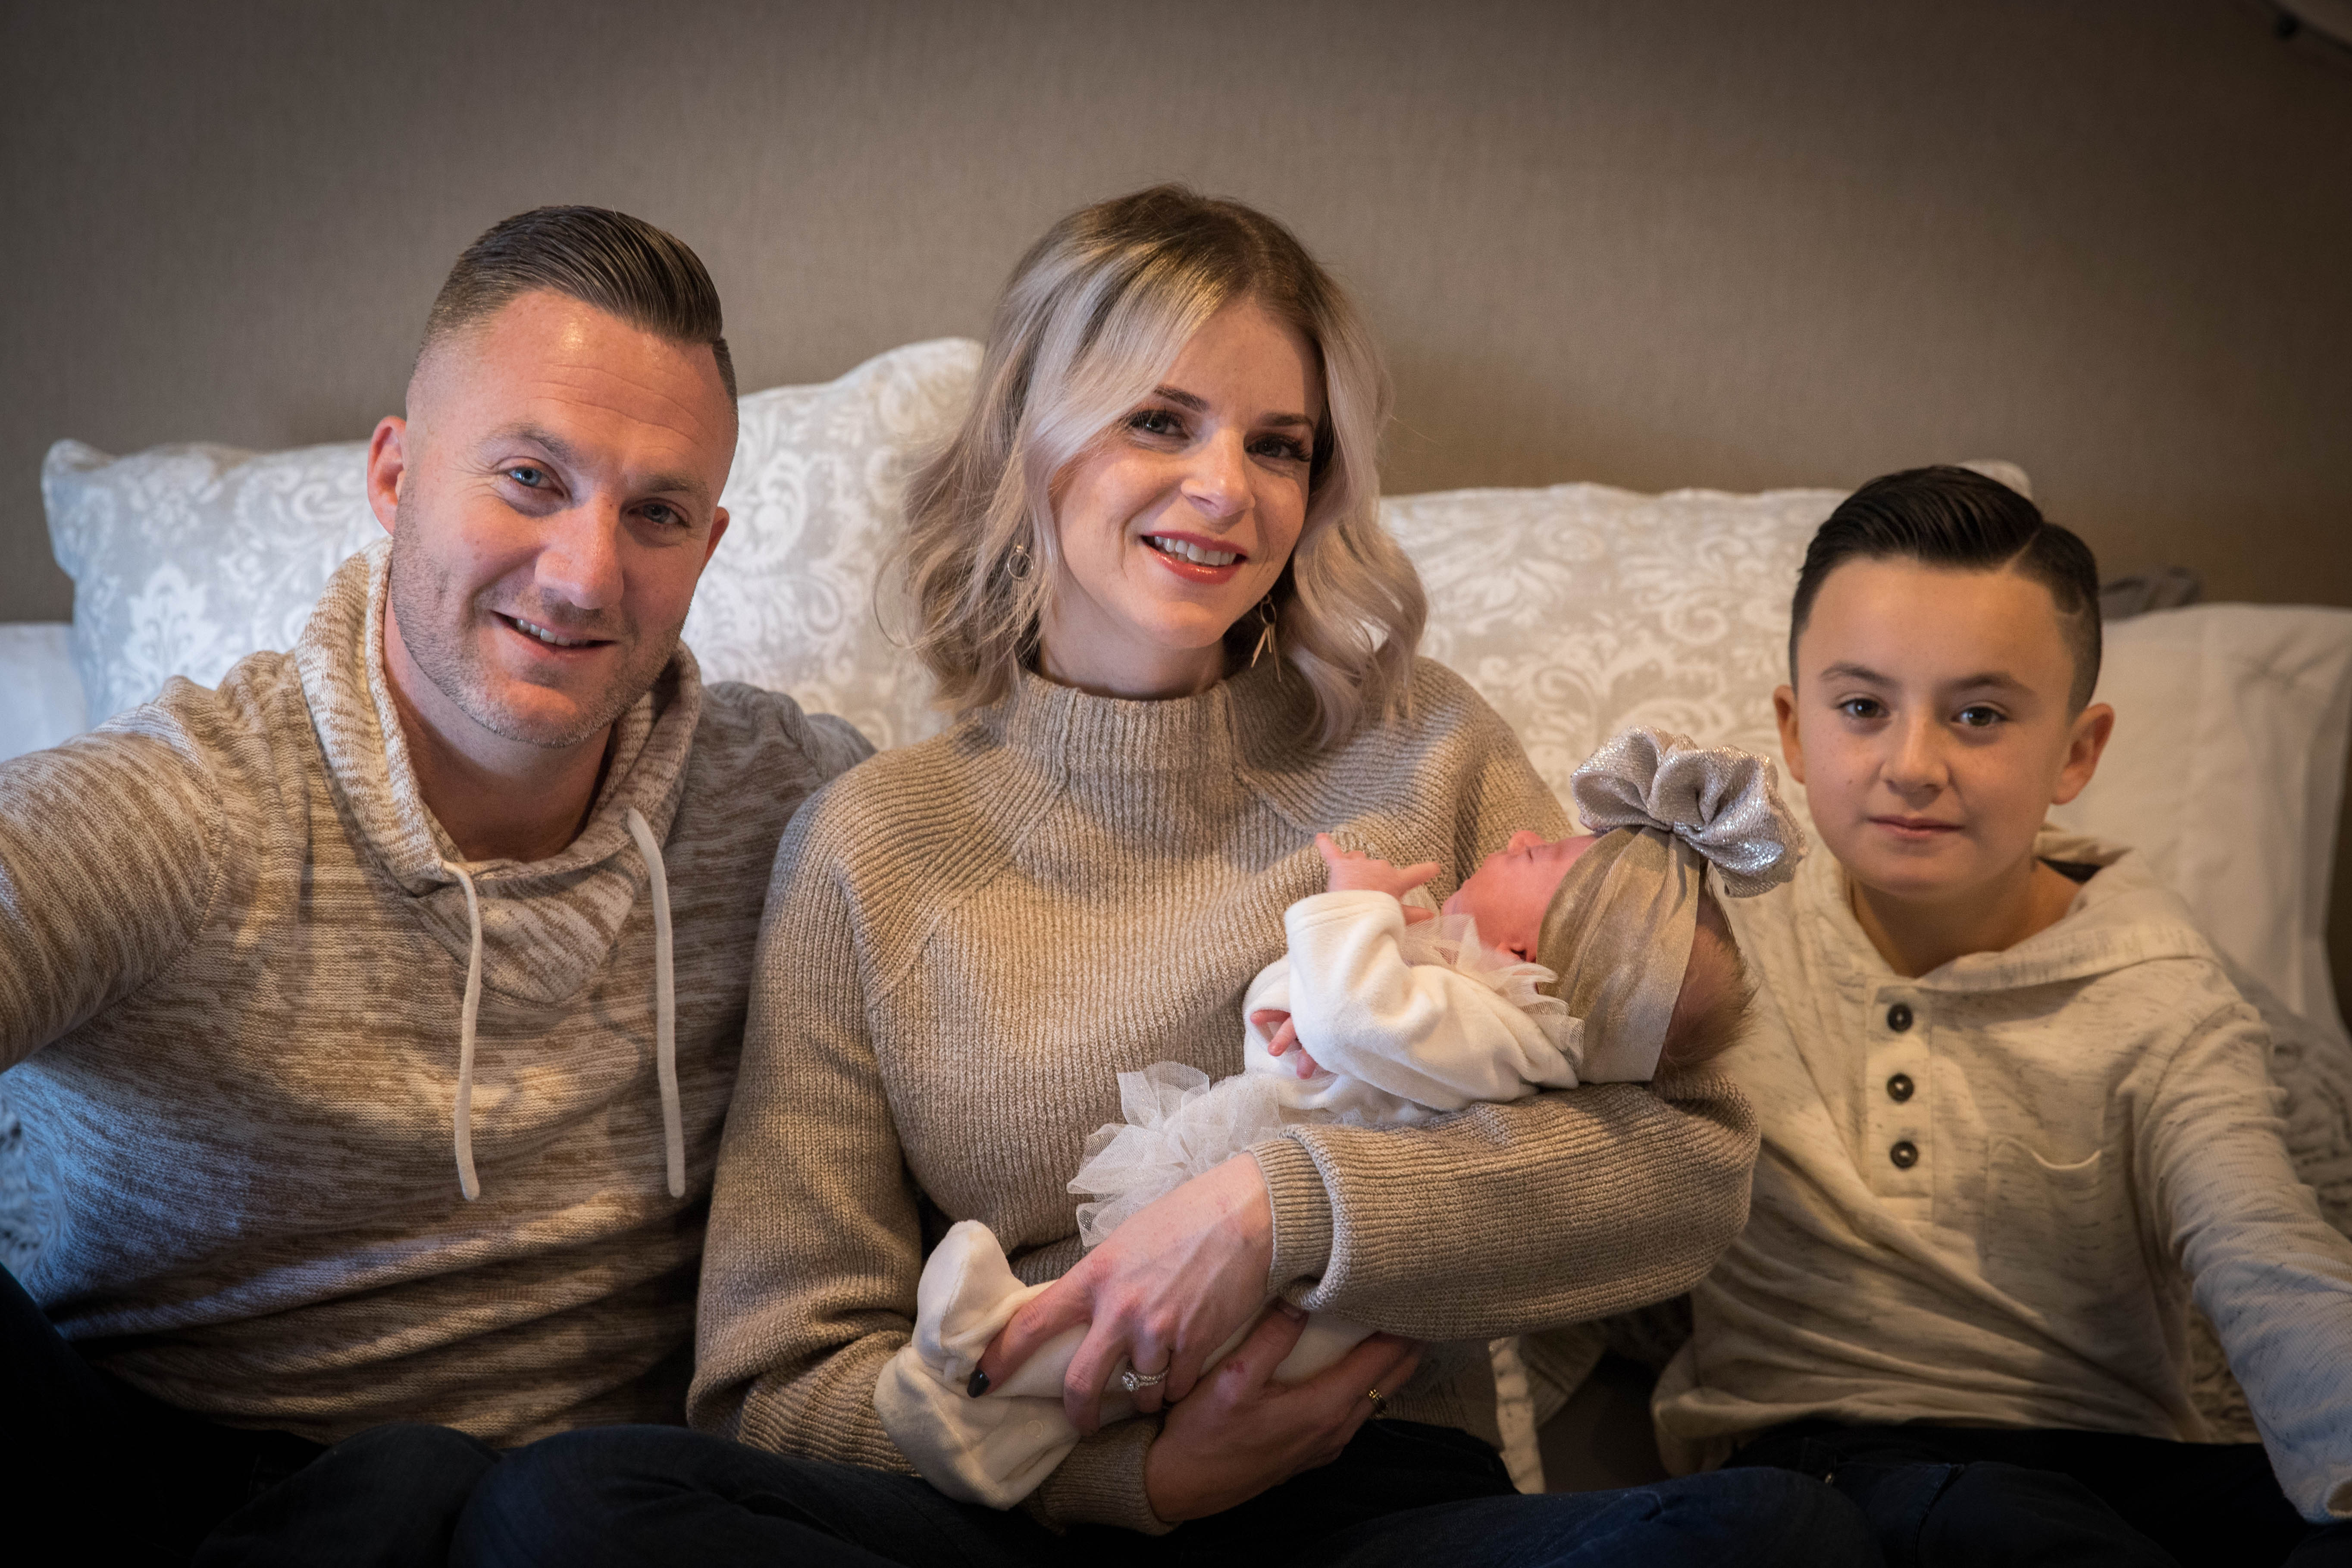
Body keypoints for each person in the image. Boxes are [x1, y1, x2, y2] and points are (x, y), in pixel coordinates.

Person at [453, 186, 1870, 1566]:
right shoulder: (868, 839)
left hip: (1372, 1505)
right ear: (1030, 439)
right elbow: (778, 1381)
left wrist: (1279, 1207)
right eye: (1159, 420)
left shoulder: (1426, 748)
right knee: (567, 1509)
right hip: (1014, 1514)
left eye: (1279, 444)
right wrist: (1135, 1482)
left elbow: (1688, 1169)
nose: (1226, 488)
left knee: (1781, 1532)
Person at [0, 206, 871, 1565]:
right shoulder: (187, 805)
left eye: (655, 513)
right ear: (397, 475)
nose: (585, 574)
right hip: (130, 1475)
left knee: (456, 1492)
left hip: (559, 1526)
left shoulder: (792, 800)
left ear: (708, 546)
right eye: (529, 477)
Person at [1647, 466, 2352, 1566]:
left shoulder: (2160, 986)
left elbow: (2260, 1247)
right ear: (1793, 729)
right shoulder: (1713, 931)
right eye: (1862, 708)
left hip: (2118, 1466)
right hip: (1823, 1459)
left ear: (2076, 751)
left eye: (1978, 715)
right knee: (1982, 1522)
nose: (1912, 766)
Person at [879, 728, 1804, 1510]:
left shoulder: (1497, 1014)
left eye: (1541, 857)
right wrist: (1144, 1485)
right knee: (1120, 1342)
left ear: (1529, 954)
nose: (1523, 835)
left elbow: (1355, 1016)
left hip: (1317, 1326)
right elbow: (1330, 1023)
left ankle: (990, 1390)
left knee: (1772, 1524)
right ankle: (1001, 1410)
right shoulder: (1478, 1009)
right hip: (1243, 1348)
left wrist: (1355, 907)